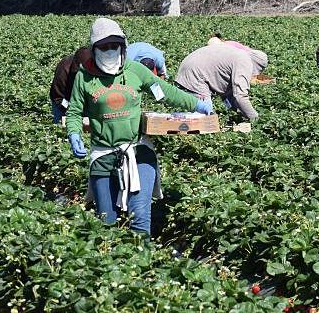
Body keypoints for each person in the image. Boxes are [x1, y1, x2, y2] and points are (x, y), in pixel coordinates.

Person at [66, 17, 212, 238]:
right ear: (94, 49)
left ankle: (143, 264)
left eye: (114, 46)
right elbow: (75, 112)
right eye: (104, 47)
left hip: (138, 151)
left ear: (122, 47)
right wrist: (74, 133)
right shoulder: (84, 78)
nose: (110, 51)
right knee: (107, 221)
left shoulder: (135, 70)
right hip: (103, 154)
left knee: (140, 216)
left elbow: (166, 92)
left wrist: (197, 104)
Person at [175, 43, 265, 121]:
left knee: (200, 112)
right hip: (195, 73)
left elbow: (229, 95)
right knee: (204, 117)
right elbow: (240, 96)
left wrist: (239, 112)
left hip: (189, 65)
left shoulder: (237, 55)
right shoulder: (245, 62)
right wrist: (255, 119)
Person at [49, 47, 92, 124]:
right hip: (64, 99)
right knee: (62, 123)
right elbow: (58, 98)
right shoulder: (64, 71)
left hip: (88, 101)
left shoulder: (98, 68)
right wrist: (73, 112)